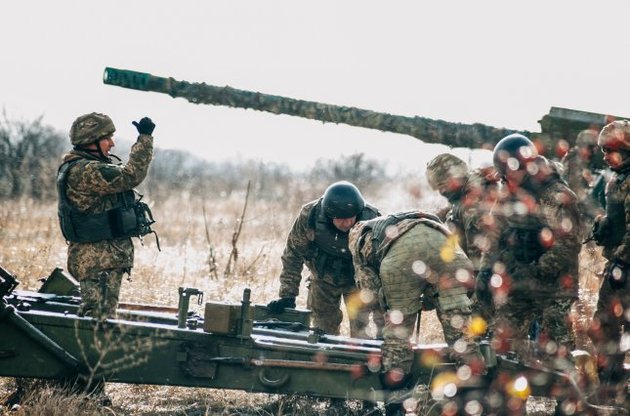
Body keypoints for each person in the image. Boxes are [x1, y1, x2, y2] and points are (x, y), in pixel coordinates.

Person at [348, 210, 479, 388]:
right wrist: (430, 300)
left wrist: (392, 309)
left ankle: (395, 395)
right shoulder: (404, 219)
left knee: (398, 334)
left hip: (401, 258)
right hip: (449, 249)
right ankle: (474, 385)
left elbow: (369, 291)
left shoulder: (359, 238)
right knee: (460, 328)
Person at [57, 112, 156, 320]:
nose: (111, 144)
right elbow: (131, 176)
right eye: (106, 138)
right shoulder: (87, 171)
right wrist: (145, 139)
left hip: (98, 258)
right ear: (90, 141)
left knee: (99, 318)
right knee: (98, 322)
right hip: (99, 261)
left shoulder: (83, 167)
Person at [267, 181, 384, 338]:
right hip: (322, 279)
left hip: (358, 281)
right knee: (322, 332)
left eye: (351, 218)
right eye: (341, 219)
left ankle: (358, 361)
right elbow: (293, 254)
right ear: (329, 216)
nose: (348, 223)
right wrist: (288, 295)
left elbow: (382, 264)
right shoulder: (310, 216)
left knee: (361, 332)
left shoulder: (373, 220)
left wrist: (381, 303)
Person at [587, 120, 630, 407]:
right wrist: (602, 223)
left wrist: (621, 264)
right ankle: (611, 389)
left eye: (609, 150)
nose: (604, 156)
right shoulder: (617, 177)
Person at [561, 128, 607, 238]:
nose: (593, 152)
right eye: (591, 148)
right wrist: (597, 212)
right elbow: (577, 193)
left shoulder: (577, 159)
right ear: (582, 146)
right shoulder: (573, 162)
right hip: (568, 216)